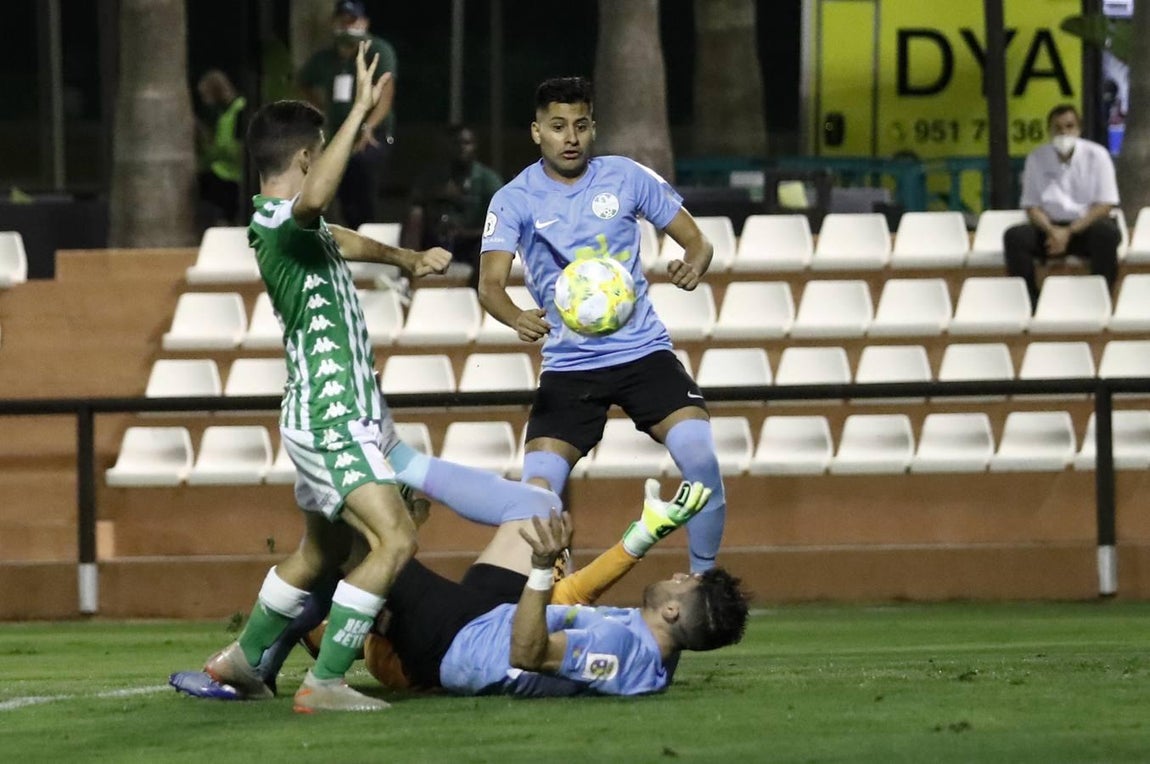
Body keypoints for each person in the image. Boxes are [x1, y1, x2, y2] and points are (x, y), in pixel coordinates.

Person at [200, 43, 453, 714]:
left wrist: (403, 258)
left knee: (319, 555)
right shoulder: (283, 221)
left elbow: (337, 232)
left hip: (331, 410)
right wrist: (359, 114)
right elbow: (316, 207)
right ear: (308, 158)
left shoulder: (284, 224)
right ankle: (327, 681)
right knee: (395, 538)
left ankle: (243, 659)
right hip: (333, 413)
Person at [174, 479, 749, 698]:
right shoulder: (652, 653)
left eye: (685, 581)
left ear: (673, 610)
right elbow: (569, 608)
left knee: (346, 541)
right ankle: (404, 496)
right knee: (535, 506)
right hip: (489, 617)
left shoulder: (623, 656)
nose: (678, 573)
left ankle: (254, 660)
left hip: (459, 644)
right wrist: (638, 538)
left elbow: (527, 654)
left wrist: (541, 570)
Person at [477, 76, 726, 574]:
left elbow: (697, 240)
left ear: (593, 129)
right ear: (536, 132)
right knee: (537, 490)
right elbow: (490, 284)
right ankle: (548, 587)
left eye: (581, 125)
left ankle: (703, 581)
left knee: (699, 458)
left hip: (643, 353)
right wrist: (516, 317)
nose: (570, 137)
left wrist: (692, 264)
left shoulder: (626, 177)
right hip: (570, 365)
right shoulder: (513, 199)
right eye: (557, 126)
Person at [1003, 103, 1121, 309]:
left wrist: (1069, 232)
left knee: (1107, 235)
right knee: (1014, 237)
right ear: (1049, 130)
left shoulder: (1098, 155)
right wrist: (1053, 231)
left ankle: (1099, 299)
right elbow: (1031, 206)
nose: (1064, 132)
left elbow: (1105, 204)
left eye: (1069, 126)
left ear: (1079, 128)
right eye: (1058, 128)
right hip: (1050, 230)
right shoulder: (1036, 158)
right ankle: (1031, 303)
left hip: (1085, 228)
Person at [298, 0, 397, 229]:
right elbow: (303, 82)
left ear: (364, 22)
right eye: (342, 19)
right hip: (341, 133)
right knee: (342, 192)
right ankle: (350, 237)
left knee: (363, 178)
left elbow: (386, 94)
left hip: (370, 133)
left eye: (352, 20)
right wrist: (319, 109)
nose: (346, 25)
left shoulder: (378, 51)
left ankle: (373, 235)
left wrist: (367, 126)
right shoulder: (327, 57)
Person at [403, 124, 503, 288]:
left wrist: (465, 232)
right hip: (436, 241)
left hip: (470, 243)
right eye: (456, 143)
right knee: (415, 216)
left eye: (467, 143)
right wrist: (437, 196)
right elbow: (414, 201)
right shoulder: (435, 175)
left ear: (475, 146)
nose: (462, 148)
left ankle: (479, 294)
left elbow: (500, 225)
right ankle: (406, 283)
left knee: (486, 247)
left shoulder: (488, 180)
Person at [195, 69, 246, 225]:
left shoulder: (240, 108)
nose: (205, 100)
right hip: (221, 171)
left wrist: (213, 153)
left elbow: (235, 148)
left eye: (206, 95)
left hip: (231, 174)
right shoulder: (224, 113)